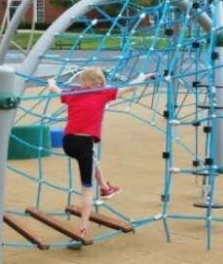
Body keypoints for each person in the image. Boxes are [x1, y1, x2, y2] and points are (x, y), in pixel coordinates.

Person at [47, 68, 155, 240]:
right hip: (83, 144)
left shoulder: (73, 92)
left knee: (93, 157)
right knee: (87, 190)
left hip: (67, 142)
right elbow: (129, 87)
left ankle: (105, 188)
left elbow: (56, 90)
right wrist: (143, 76)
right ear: (97, 84)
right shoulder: (102, 93)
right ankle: (82, 228)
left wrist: (51, 83)